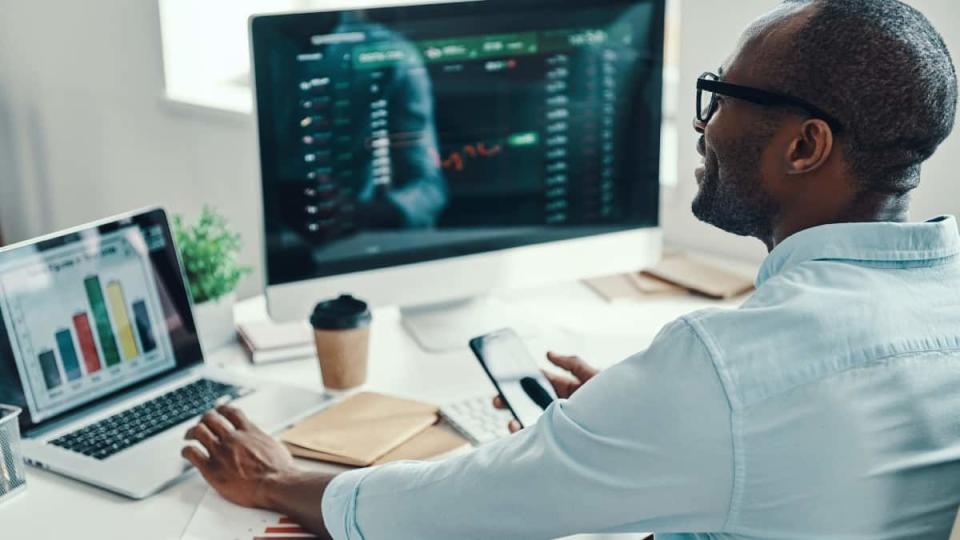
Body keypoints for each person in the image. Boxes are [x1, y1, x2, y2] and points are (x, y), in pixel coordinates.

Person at [183, 1, 960, 538]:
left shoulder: (726, 370)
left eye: (718, 97)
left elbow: (460, 510)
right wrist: (648, 420)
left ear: (804, 147)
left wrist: (277, 479)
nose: (702, 125)